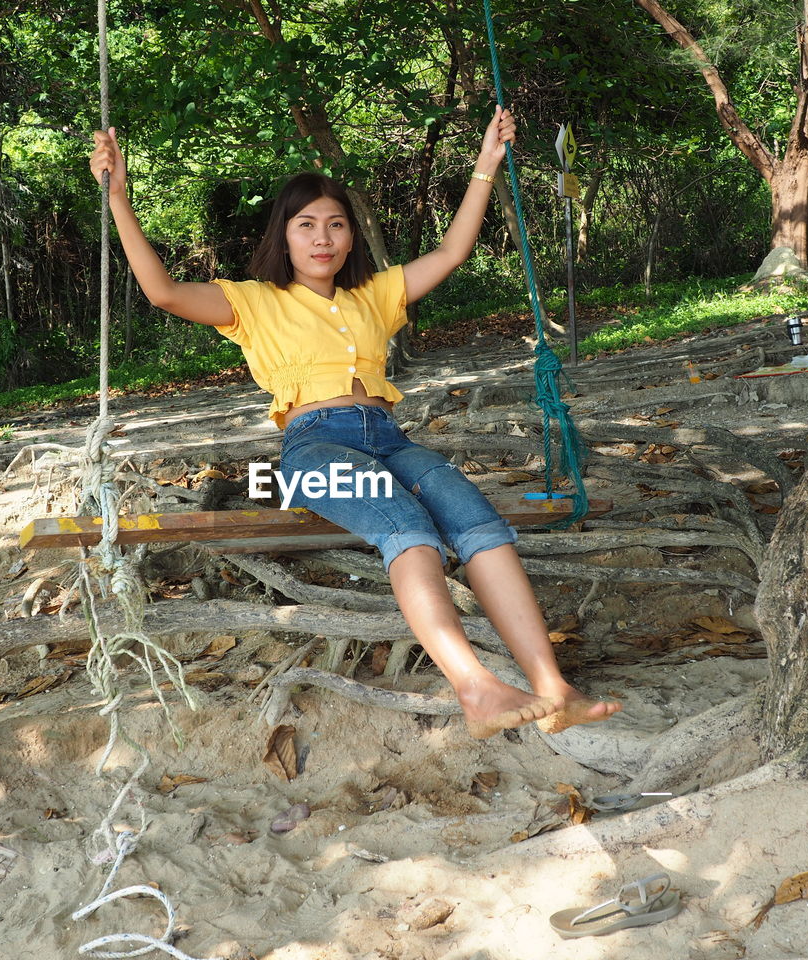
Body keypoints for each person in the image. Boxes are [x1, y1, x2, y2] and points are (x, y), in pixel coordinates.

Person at [91, 109, 620, 739]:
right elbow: (162, 291)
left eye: (335, 225)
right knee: (409, 528)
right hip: (314, 457)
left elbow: (453, 251)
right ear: (283, 237)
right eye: (306, 225)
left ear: (350, 236)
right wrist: (119, 197)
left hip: (390, 440)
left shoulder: (373, 294)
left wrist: (487, 164)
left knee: (481, 522)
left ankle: (552, 686)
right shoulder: (253, 301)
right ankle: (475, 687)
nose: (323, 238)